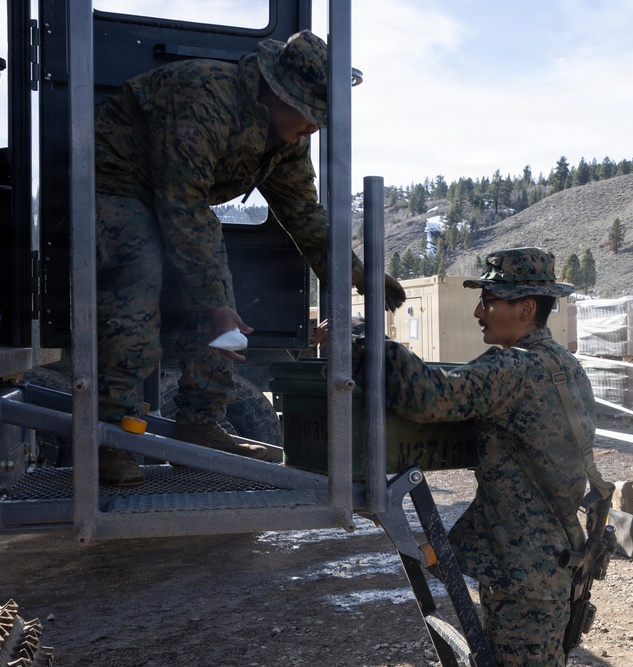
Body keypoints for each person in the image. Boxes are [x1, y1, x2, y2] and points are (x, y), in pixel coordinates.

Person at [93, 29, 405, 486]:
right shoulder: (205, 97)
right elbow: (183, 206)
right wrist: (217, 307)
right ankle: (111, 436)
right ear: (275, 91)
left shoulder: (286, 141)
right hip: (119, 182)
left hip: (178, 201)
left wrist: (357, 274)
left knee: (214, 285)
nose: (315, 126)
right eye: (310, 112)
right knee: (140, 273)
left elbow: (303, 214)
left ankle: (199, 425)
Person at [353, 247, 607, 666]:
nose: (478, 312)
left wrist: (364, 344)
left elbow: (430, 397)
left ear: (526, 309)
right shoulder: (563, 363)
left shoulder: (514, 368)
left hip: (521, 574)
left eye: (488, 301)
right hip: (549, 562)